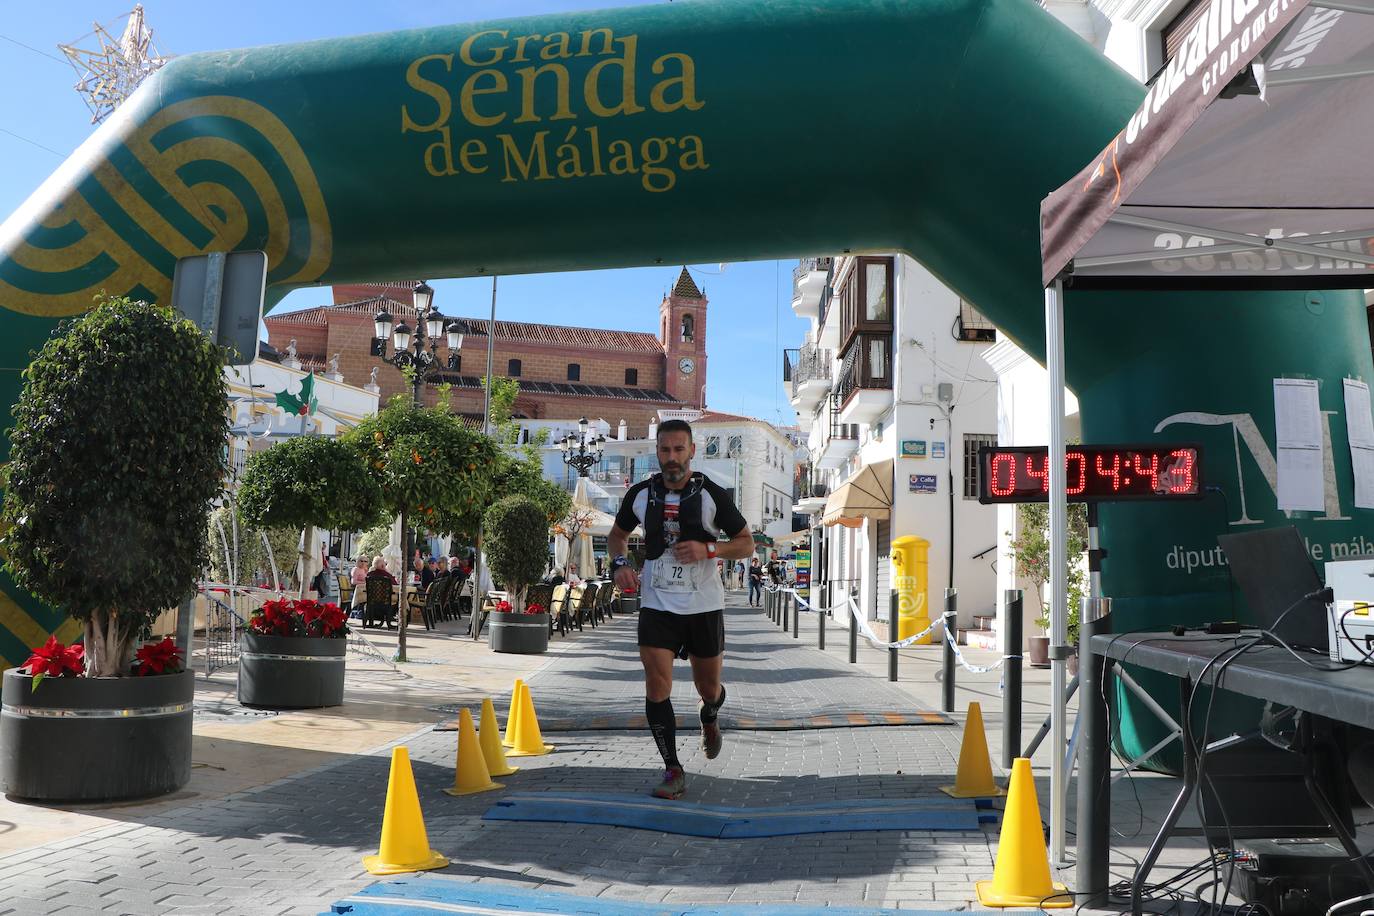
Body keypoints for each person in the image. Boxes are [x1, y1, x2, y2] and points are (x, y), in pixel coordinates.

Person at [609, 418, 752, 800]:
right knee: (657, 684)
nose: (671, 457)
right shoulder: (641, 495)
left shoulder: (711, 495)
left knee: (708, 688)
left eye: (678, 449)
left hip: (703, 605)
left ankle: (710, 714)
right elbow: (617, 536)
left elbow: (746, 543)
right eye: (665, 450)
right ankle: (673, 768)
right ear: (656, 452)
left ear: (692, 451)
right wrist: (619, 564)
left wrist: (709, 549)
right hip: (657, 603)